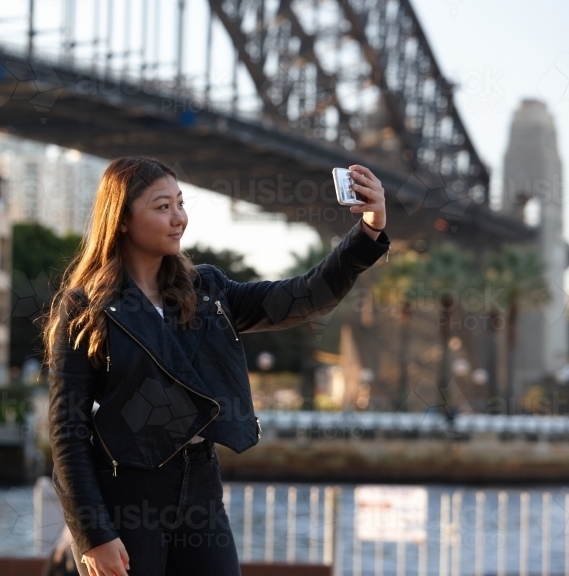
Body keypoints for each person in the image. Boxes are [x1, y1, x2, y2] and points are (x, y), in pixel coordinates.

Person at [43, 157, 390, 576]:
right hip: (128, 493)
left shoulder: (207, 291)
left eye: (180, 203)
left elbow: (303, 296)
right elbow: (67, 430)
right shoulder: (85, 308)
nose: (179, 218)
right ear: (121, 220)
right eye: (162, 206)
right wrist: (92, 533)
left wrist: (368, 231)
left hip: (200, 485)